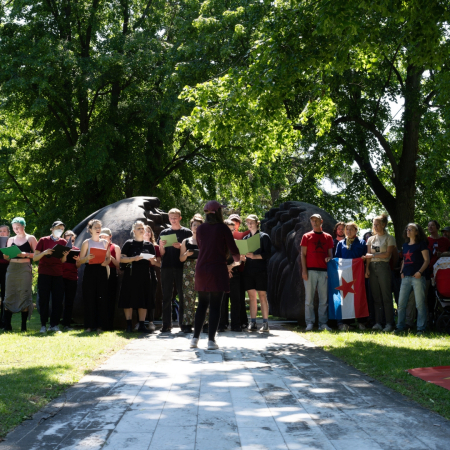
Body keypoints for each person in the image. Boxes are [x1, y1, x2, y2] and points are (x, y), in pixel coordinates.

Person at [190, 201, 241, 350]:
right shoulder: (223, 228)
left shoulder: (200, 229)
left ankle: (194, 339)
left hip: (201, 269)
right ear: (217, 212)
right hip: (217, 268)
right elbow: (233, 248)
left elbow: (201, 247)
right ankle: (211, 340)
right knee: (215, 305)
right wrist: (237, 260)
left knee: (202, 304)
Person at [157, 208, 193, 333]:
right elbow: (161, 254)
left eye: (175, 217)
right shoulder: (164, 232)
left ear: (180, 218)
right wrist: (161, 246)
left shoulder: (187, 232)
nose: (173, 220)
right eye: (171, 217)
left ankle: (183, 324)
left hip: (181, 267)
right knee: (166, 296)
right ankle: (166, 324)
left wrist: (180, 246)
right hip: (166, 267)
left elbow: (191, 250)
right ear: (168, 219)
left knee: (183, 295)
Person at [119, 221, 157, 333]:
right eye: (139, 228)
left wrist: (152, 260)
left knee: (143, 300)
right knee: (128, 300)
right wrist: (133, 258)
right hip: (130, 275)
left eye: (142, 228)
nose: (141, 230)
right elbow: (121, 259)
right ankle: (129, 325)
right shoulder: (129, 243)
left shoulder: (149, 245)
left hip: (145, 275)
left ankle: (141, 325)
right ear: (134, 231)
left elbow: (154, 262)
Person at [34, 220, 70, 333]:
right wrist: (44, 253)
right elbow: (35, 258)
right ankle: (43, 325)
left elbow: (63, 261)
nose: (60, 230)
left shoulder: (64, 242)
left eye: (62, 228)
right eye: (58, 228)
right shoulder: (43, 240)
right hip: (44, 273)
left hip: (58, 273)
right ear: (52, 229)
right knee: (44, 300)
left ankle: (54, 325)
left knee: (57, 300)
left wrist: (65, 255)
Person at [2, 218, 37, 332]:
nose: (15, 229)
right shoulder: (10, 239)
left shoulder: (30, 238)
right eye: (13, 228)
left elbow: (37, 255)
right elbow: (6, 257)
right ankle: (8, 326)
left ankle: (23, 327)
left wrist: (24, 254)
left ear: (23, 226)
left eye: (18, 227)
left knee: (24, 294)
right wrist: (6, 255)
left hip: (24, 268)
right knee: (9, 294)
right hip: (12, 268)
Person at [363, 214, 396, 332]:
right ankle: (378, 322)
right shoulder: (371, 239)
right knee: (376, 297)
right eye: (374, 224)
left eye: (377, 224)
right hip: (372, 267)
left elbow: (387, 254)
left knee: (386, 296)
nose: (375, 226)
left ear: (383, 225)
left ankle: (389, 323)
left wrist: (373, 255)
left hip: (383, 267)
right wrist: (367, 269)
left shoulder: (389, 238)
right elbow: (367, 256)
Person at [395, 223, 429, 335]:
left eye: (411, 229)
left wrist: (420, 272)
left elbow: (427, 260)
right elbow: (404, 260)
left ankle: (421, 328)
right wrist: (401, 271)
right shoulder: (405, 245)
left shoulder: (422, 244)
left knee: (420, 304)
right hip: (406, 277)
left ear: (417, 232)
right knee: (401, 304)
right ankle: (400, 326)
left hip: (418, 278)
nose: (408, 231)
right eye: (407, 229)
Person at [77, 219, 111, 332]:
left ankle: (101, 326)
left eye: (99, 227)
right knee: (89, 297)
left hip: (101, 270)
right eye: (95, 227)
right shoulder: (86, 242)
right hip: (90, 270)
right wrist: (87, 258)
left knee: (101, 297)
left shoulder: (105, 243)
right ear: (90, 229)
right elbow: (80, 261)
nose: (98, 229)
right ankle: (89, 326)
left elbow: (108, 258)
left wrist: (105, 263)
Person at [301, 214, 334, 331]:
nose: (314, 222)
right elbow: (303, 255)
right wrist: (304, 270)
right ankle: (309, 322)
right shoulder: (306, 236)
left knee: (323, 300)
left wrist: (329, 259)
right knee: (309, 299)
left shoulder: (328, 237)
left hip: (324, 271)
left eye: (316, 220)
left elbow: (331, 255)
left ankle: (323, 323)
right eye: (312, 221)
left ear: (321, 221)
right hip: (310, 271)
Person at [334, 222, 368, 330]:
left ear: (356, 230)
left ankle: (362, 322)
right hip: (344, 275)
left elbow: (366, 257)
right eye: (347, 229)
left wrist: (363, 259)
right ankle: (345, 323)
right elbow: (337, 259)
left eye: (351, 229)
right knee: (345, 297)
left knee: (359, 297)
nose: (348, 231)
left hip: (358, 275)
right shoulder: (341, 243)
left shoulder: (362, 243)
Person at [241, 214, 272, 332]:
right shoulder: (245, 238)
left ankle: (265, 324)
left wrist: (255, 256)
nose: (249, 224)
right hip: (248, 271)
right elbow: (243, 255)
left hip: (261, 271)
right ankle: (252, 322)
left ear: (257, 223)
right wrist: (243, 258)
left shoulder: (264, 237)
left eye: (251, 222)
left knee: (263, 296)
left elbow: (268, 254)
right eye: (248, 222)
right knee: (251, 297)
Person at [179, 214, 203, 333]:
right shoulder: (185, 241)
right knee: (189, 298)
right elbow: (181, 259)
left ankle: (206, 323)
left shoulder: (206, 240)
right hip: (189, 269)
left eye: (199, 226)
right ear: (191, 227)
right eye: (194, 225)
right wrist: (187, 254)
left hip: (203, 269)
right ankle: (188, 323)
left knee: (204, 297)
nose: (196, 227)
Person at [221, 219, 245, 332]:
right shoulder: (217, 242)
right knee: (222, 301)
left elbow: (241, 260)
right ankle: (221, 324)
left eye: (232, 229)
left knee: (236, 301)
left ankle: (236, 325)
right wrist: (226, 269)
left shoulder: (238, 242)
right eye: (228, 229)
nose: (231, 232)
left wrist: (230, 267)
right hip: (220, 274)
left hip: (234, 274)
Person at [229, 213, 250, 329]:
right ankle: (224, 322)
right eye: (232, 221)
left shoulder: (244, 235)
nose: (235, 223)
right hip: (229, 270)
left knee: (239, 298)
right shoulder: (225, 236)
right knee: (226, 298)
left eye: (236, 222)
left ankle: (242, 321)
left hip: (241, 270)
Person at [426, 220, 450, 326]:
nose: (430, 227)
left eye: (433, 225)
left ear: (437, 227)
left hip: (443, 273)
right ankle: (430, 318)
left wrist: (445, 254)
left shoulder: (445, 241)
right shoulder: (425, 241)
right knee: (430, 296)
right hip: (429, 271)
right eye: (429, 226)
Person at [99, 228, 121, 331]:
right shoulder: (97, 245)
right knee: (100, 299)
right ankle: (99, 324)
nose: (103, 238)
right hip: (100, 272)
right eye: (101, 236)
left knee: (110, 300)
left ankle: (109, 325)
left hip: (111, 273)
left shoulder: (115, 247)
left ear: (110, 236)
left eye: (105, 236)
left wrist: (109, 256)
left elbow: (118, 266)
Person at [61, 230, 80, 331]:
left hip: (72, 278)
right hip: (60, 277)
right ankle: (55, 322)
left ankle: (67, 324)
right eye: (67, 240)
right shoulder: (60, 249)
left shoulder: (77, 250)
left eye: (72, 241)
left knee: (69, 301)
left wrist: (78, 260)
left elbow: (78, 266)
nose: (70, 242)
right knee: (59, 300)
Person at [143, 225, 161, 332]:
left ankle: (150, 321)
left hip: (150, 272)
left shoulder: (156, 247)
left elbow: (159, 264)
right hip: (139, 274)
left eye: (149, 231)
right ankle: (139, 322)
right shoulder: (136, 245)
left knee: (151, 297)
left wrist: (153, 262)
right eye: (145, 231)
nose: (147, 233)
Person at [0, 224, 11, 328]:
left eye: (4, 231)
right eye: (0, 231)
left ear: (8, 233)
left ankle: (4, 321)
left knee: (5, 295)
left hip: (7, 270)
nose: (2, 233)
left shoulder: (12, 242)